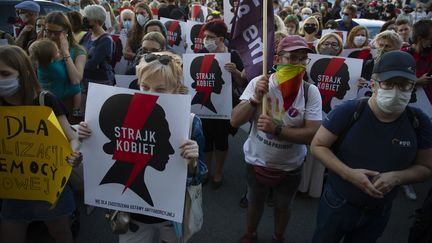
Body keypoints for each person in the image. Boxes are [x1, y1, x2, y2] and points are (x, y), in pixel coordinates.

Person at [78, 51, 207, 243]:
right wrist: (88, 138)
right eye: (144, 86)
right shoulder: (120, 116)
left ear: (176, 87)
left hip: (170, 217)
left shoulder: (189, 124)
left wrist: (193, 163)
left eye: (160, 90)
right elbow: (99, 163)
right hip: (131, 215)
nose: (150, 94)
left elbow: (200, 176)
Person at [310, 50, 432, 243]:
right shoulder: (349, 111)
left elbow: (426, 167)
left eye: (404, 85)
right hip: (338, 202)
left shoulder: (419, 121)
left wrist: (397, 177)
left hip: (379, 210)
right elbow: (318, 146)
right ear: (374, 84)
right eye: (389, 84)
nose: (396, 92)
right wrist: (349, 174)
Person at [231, 35, 322, 243]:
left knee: (283, 206)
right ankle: (250, 234)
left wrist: (278, 130)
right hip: (256, 161)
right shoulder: (258, 83)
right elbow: (235, 120)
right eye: (292, 58)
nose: (298, 63)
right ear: (277, 60)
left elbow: (313, 133)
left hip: (291, 166)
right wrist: (255, 98)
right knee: (254, 202)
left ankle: (278, 237)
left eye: (302, 59)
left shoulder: (310, 92)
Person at [0, 45, 83, 243]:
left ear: (23, 72)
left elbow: (72, 137)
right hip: (13, 189)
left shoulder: (45, 100)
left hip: (49, 188)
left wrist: (74, 154)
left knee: (61, 233)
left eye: (5, 73)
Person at [198, 20, 246, 189]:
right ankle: (207, 170)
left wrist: (235, 71)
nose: (206, 40)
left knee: (221, 140)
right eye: (205, 36)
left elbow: (242, 83)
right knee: (206, 140)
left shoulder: (233, 55)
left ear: (220, 38)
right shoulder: (202, 53)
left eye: (210, 37)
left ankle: (218, 171)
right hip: (204, 105)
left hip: (225, 106)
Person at [35, 11, 87, 120]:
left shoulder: (78, 51)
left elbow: (76, 80)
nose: (52, 36)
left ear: (66, 31)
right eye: (49, 31)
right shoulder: (40, 49)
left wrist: (66, 53)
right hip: (45, 104)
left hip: (69, 105)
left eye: (56, 32)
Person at [80, 4, 115, 111]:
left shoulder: (106, 40)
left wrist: (77, 65)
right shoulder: (87, 35)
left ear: (96, 20)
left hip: (100, 82)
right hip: (85, 80)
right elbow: (78, 52)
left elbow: (93, 63)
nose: (84, 19)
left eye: (87, 17)